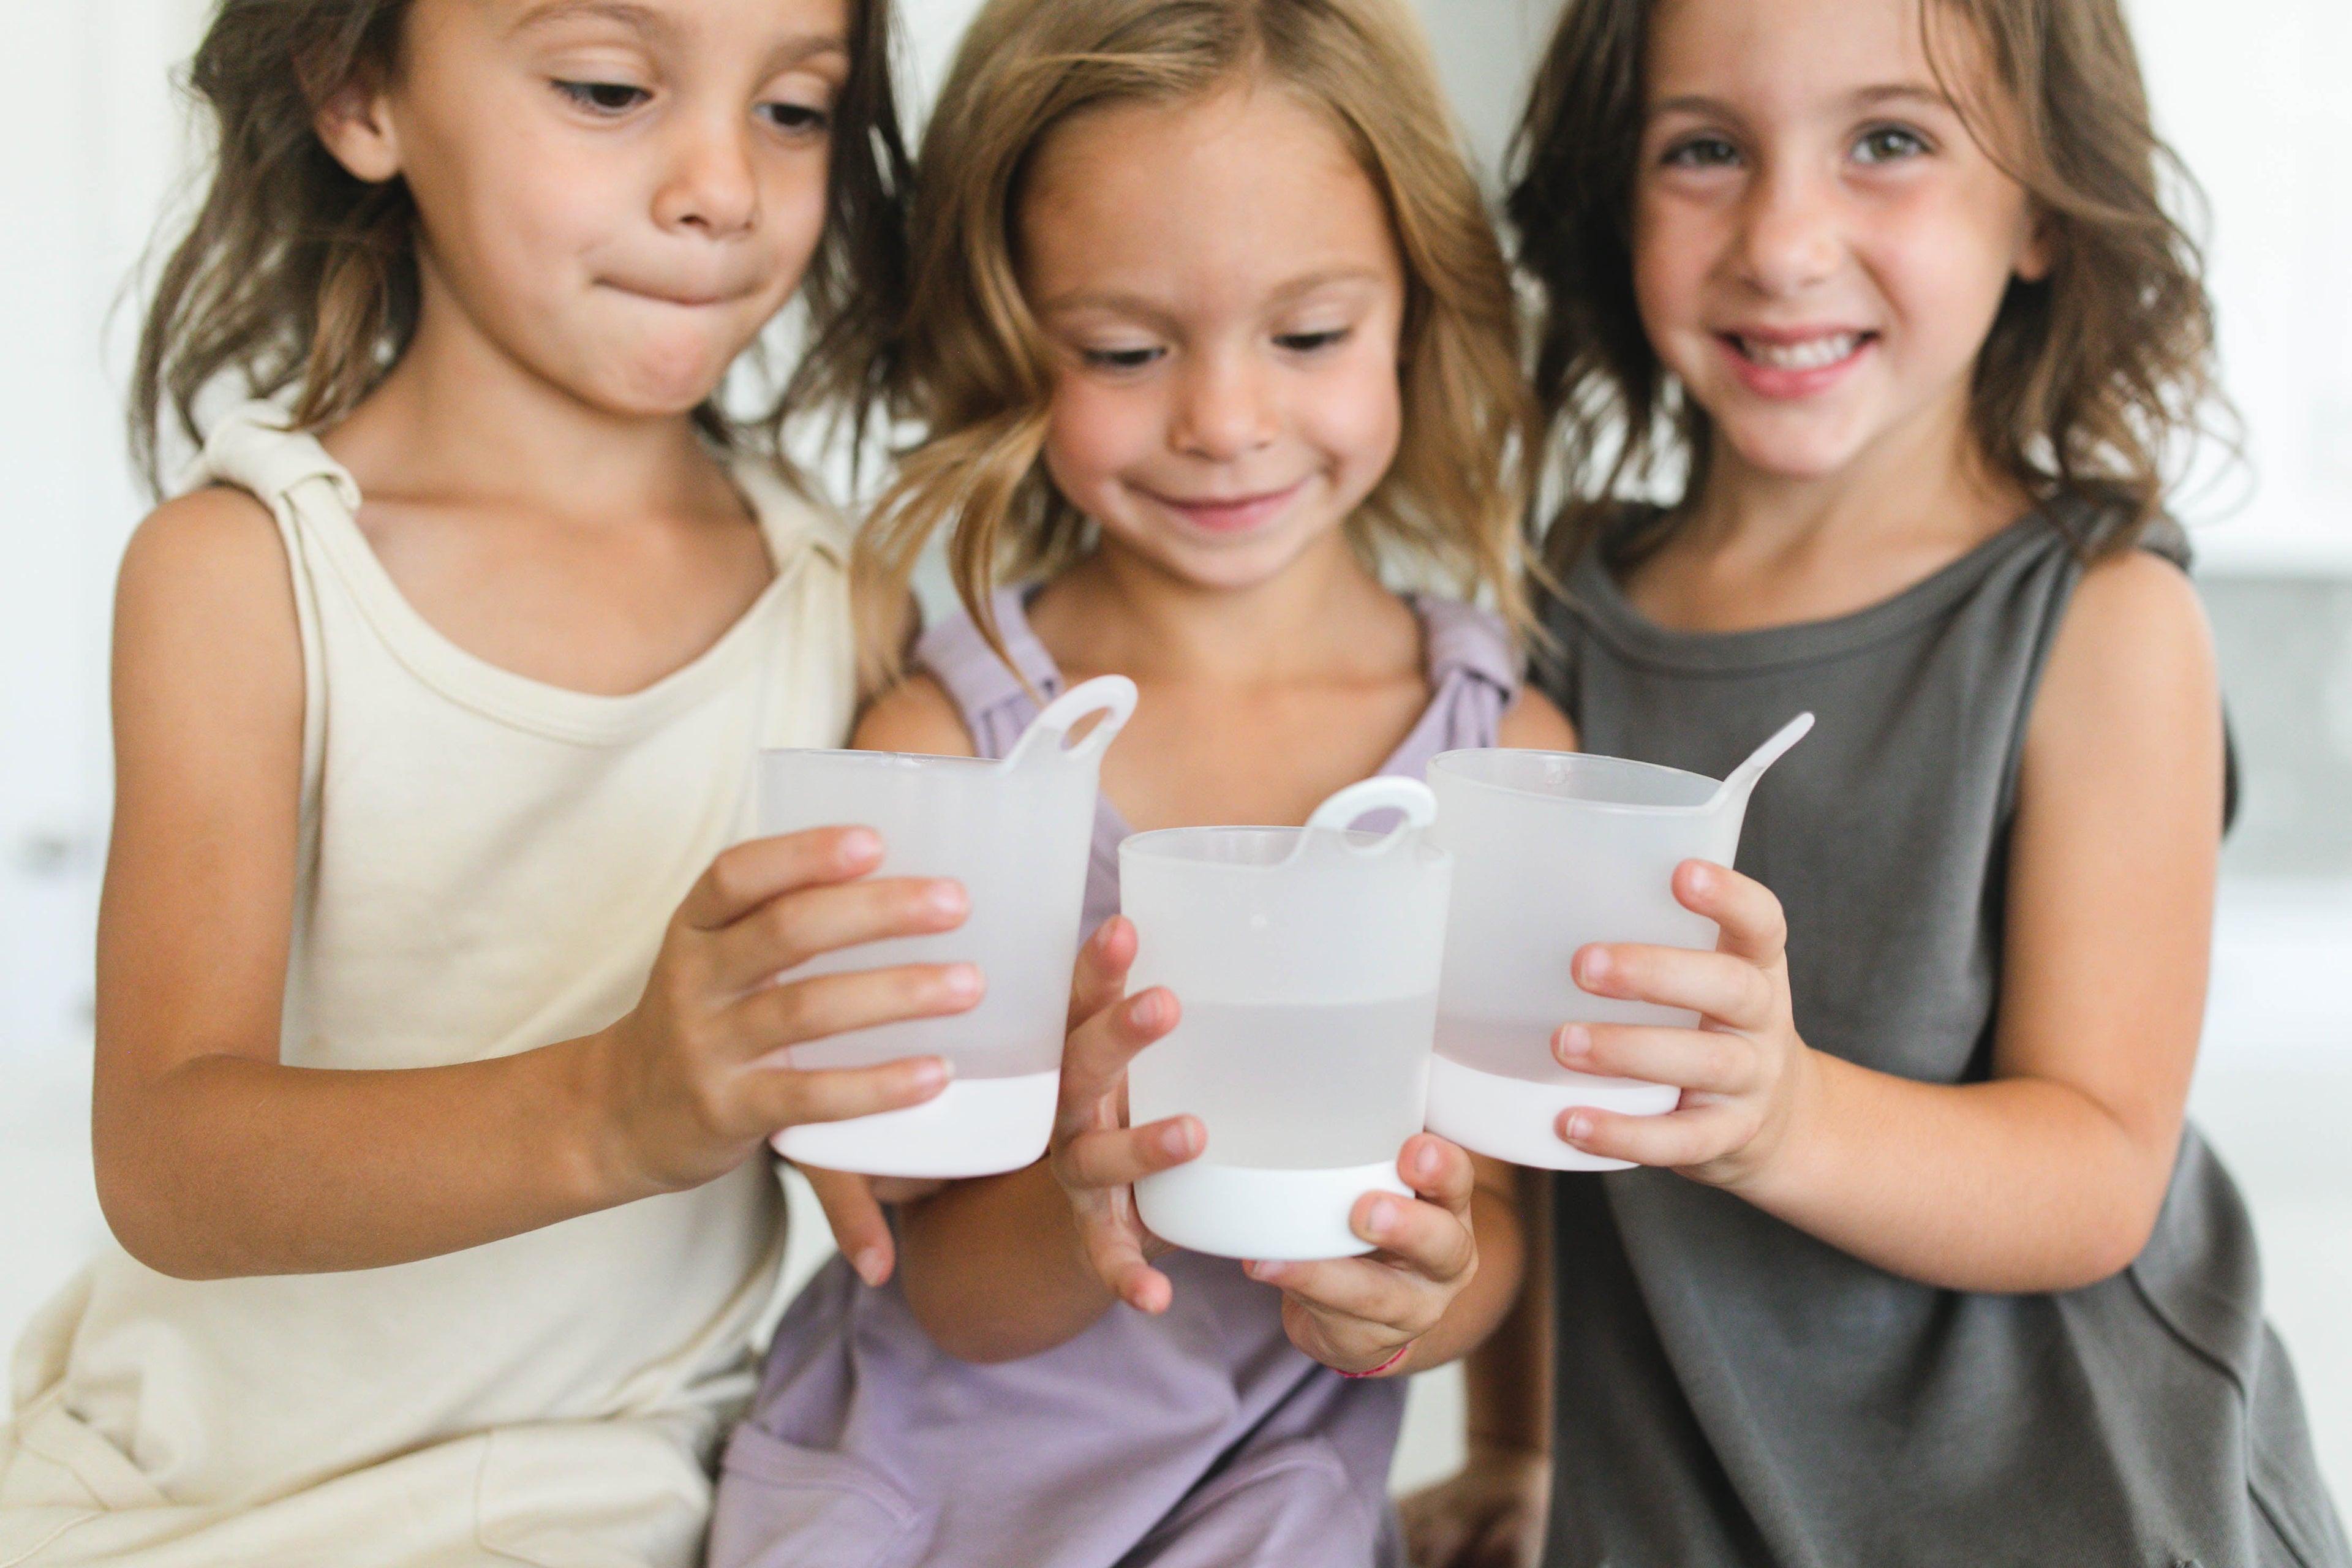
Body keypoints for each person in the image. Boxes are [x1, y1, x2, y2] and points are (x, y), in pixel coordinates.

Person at [0, 2, 975, 1562]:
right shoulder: (251, 572)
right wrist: (620, 1104)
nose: (724, 182)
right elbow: (168, 1159)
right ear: (359, 90)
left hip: (634, 1504)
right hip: (215, 1501)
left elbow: (892, 1157)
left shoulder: (843, 606)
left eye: (795, 110)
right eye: (608, 89)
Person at [1402, 0, 2352, 1564]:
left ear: (2045, 202)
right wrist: (1518, 1442)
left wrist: (1779, 1120)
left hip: (2073, 1511)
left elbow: (2101, 1165)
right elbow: (1530, 1113)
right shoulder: (1557, 612)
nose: (1783, 239)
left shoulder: (2101, 622)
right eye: (1703, 148)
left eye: (1890, 142)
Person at [709, 2, 1569, 1564]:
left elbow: (1495, 1216)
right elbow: (937, 1287)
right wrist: (1078, 1179)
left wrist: (1423, 1292)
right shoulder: (947, 752)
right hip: (914, 1496)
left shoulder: (1503, 761)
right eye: (1123, 349)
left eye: (1308, 336)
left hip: (1267, 1510)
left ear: (1418, 317)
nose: (1225, 423)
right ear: (1008, 335)